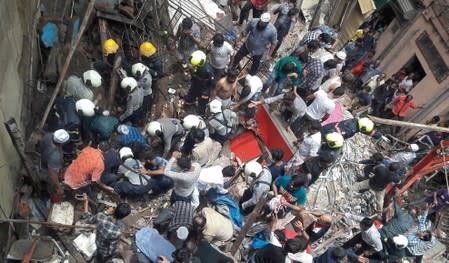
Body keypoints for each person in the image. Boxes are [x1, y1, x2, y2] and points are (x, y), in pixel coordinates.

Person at [184, 50, 216, 116]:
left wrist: (211, 92)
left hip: (205, 88)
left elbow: (213, 83)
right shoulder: (197, 64)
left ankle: (201, 113)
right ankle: (189, 103)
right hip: (196, 83)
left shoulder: (208, 70)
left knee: (202, 102)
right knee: (191, 94)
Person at [39, 129, 70, 195]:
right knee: (51, 183)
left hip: (44, 158)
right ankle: (49, 192)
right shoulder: (55, 156)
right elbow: (52, 174)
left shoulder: (49, 136)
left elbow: (41, 147)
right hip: (47, 169)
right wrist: (59, 187)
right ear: (62, 143)